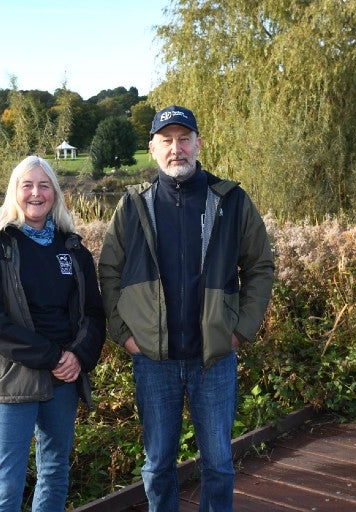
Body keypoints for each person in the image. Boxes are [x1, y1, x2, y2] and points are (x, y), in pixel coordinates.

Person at [98, 105, 275, 512]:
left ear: (198, 143)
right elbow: (109, 271)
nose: (176, 149)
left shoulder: (230, 200)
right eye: (167, 140)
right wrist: (123, 334)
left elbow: (260, 266)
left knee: (219, 463)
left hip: (212, 358)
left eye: (183, 139)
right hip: (152, 360)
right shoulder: (132, 206)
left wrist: (240, 329)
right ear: (153, 148)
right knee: (158, 464)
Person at [0, 155, 105, 512]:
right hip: (11, 382)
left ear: (55, 195)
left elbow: (93, 313)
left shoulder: (73, 249)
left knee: (56, 472)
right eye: (27, 185)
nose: (35, 193)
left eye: (44, 185)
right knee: (8, 484)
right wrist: (53, 356)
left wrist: (77, 356)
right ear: (14, 192)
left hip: (63, 381)